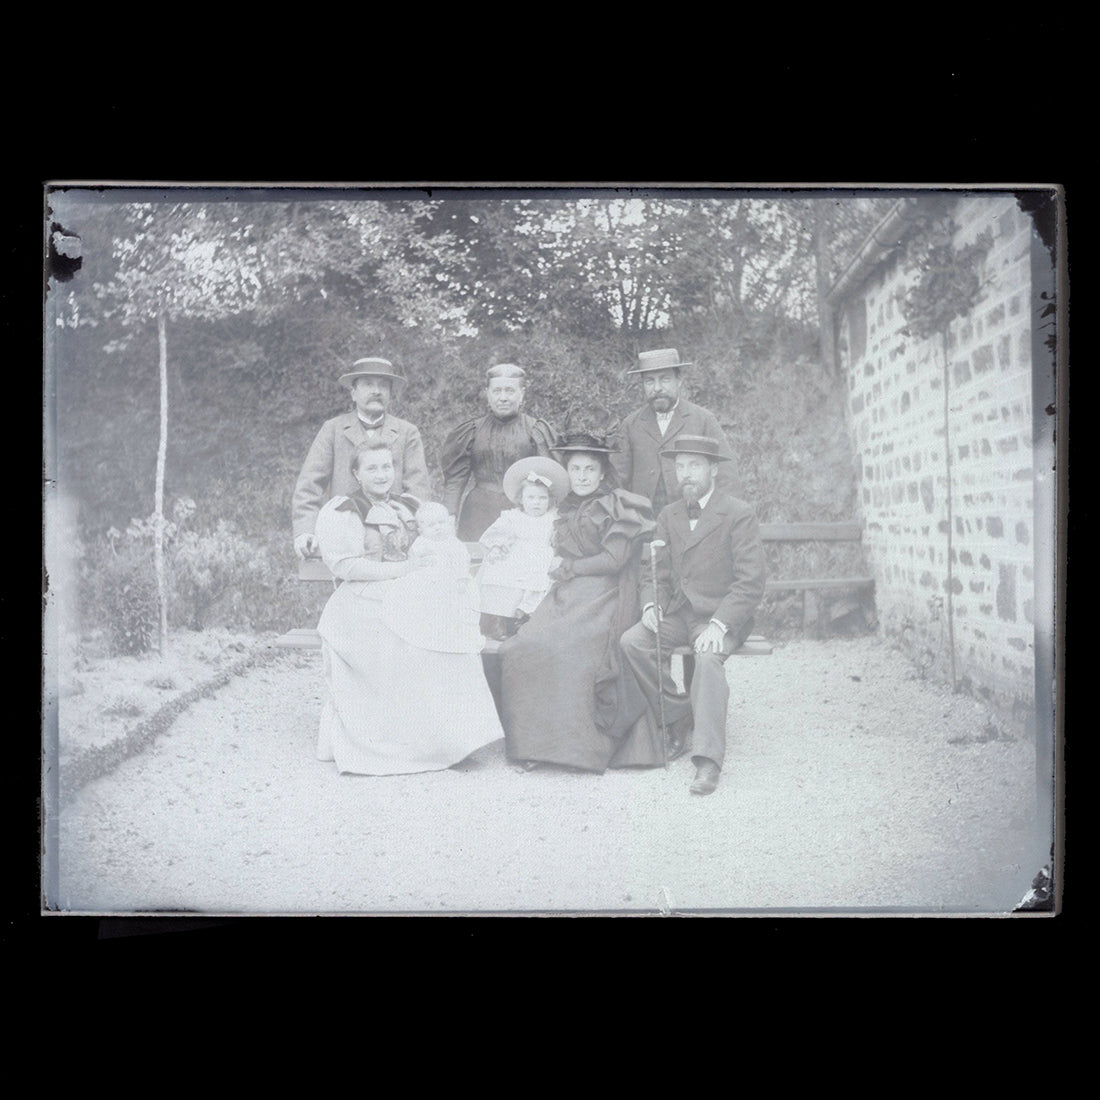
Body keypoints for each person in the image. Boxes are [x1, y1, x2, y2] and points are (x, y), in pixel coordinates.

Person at [314, 441, 503, 775]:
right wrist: (403, 570)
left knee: (446, 636)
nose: (381, 474)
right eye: (372, 468)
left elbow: (440, 544)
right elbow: (346, 566)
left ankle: (449, 741)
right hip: (361, 598)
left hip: (412, 593)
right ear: (357, 473)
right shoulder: (344, 510)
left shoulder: (410, 505)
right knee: (403, 642)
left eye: (387, 466)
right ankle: (404, 744)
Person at [498, 431, 658, 773]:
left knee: (569, 648)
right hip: (567, 593)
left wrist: (570, 567)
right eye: (575, 469)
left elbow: (614, 560)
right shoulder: (564, 507)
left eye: (590, 469)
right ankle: (537, 744)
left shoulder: (616, 505)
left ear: (602, 473)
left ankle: (578, 749)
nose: (582, 477)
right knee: (525, 646)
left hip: (606, 593)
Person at [619, 436, 767, 795]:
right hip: (677, 612)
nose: (686, 473)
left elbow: (751, 581)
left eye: (694, 465)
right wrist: (651, 604)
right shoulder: (668, 515)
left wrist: (719, 624)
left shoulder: (737, 513)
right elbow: (654, 571)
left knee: (707, 658)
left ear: (713, 470)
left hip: (717, 614)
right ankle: (680, 713)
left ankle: (707, 760)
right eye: (680, 466)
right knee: (632, 642)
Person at [293, 357, 432, 559]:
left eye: (383, 386)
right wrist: (305, 530)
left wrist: (414, 526)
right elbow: (309, 486)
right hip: (346, 532)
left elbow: (418, 490)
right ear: (353, 393)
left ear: (390, 393)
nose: (376, 391)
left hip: (395, 536)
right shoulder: (333, 429)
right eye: (368, 384)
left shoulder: (407, 432)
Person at [610, 348, 736, 516]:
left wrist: (715, 517)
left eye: (665, 379)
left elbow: (727, 475)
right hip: (643, 521)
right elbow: (617, 480)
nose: (657, 388)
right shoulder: (630, 425)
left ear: (679, 381)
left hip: (692, 517)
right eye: (649, 381)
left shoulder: (703, 419)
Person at [440, 363, 557, 541]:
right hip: (477, 515)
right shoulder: (472, 431)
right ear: (487, 393)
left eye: (510, 391)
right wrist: (449, 516)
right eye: (497, 391)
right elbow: (455, 481)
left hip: (523, 514)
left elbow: (550, 481)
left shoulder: (536, 430)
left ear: (522, 394)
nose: (503, 398)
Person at [476, 456, 570, 641]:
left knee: (540, 577)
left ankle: (524, 617)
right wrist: (497, 547)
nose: (536, 502)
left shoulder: (552, 519)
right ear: (521, 499)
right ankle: (498, 620)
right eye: (531, 497)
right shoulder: (512, 518)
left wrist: (557, 548)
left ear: (550, 501)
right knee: (500, 572)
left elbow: (559, 541)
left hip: (540, 560)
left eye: (542, 498)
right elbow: (494, 536)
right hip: (514, 559)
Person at [382, 501, 483, 655]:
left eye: (441, 523)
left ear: (450, 523)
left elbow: (463, 562)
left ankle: (453, 634)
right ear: (420, 530)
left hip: (454, 581)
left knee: (458, 606)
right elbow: (414, 563)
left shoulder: (454, 543)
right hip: (428, 581)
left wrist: (462, 579)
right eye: (431, 525)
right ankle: (428, 632)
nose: (437, 528)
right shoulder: (421, 543)